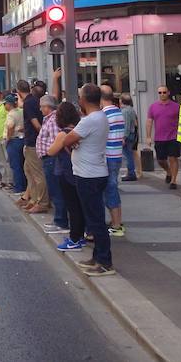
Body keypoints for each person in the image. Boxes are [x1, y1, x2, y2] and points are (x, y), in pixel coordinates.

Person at [61, 83, 115, 276]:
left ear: (83, 99)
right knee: (94, 219)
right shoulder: (100, 117)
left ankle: (105, 262)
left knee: (95, 221)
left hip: (88, 175)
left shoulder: (89, 121)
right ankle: (98, 256)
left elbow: (66, 140)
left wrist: (73, 141)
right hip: (95, 172)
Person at [47, 101, 86, 252]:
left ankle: (74, 238)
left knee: (72, 207)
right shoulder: (78, 130)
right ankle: (80, 235)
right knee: (79, 205)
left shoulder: (63, 133)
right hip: (78, 170)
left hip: (65, 172)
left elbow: (51, 151)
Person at [37, 93, 68, 233]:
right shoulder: (48, 119)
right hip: (48, 158)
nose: (40, 109)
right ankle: (59, 219)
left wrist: (50, 153)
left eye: (42, 106)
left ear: (48, 107)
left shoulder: (53, 120)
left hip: (52, 159)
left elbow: (57, 140)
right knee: (54, 190)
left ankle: (61, 221)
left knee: (56, 190)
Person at [101, 85, 125, 237]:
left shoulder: (104, 115)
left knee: (110, 189)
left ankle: (116, 225)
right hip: (116, 154)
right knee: (112, 187)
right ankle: (117, 221)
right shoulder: (118, 111)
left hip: (108, 156)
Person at [21, 80, 48, 214]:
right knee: (29, 170)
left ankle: (41, 202)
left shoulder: (29, 102)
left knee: (36, 173)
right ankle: (33, 199)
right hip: (32, 141)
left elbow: (35, 124)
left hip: (33, 142)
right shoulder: (39, 101)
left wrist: (42, 137)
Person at [146, 86, 181, 188]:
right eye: (160, 93)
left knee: (173, 158)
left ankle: (173, 181)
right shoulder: (153, 107)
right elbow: (149, 121)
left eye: (164, 92)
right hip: (159, 138)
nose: (162, 94)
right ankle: (168, 171)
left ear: (168, 93)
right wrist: (148, 136)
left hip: (173, 136)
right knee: (160, 160)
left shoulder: (176, 106)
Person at [4, 93, 27, 197]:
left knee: (15, 165)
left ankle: (18, 188)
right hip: (22, 139)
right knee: (22, 164)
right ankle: (24, 186)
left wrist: (8, 138)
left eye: (5, 104)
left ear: (9, 104)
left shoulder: (11, 114)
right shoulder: (21, 111)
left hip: (13, 140)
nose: (5, 106)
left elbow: (10, 126)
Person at [0, 89, 11, 190]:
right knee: (0, 160)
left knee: (7, 160)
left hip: (4, 137)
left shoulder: (5, 106)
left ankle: (10, 181)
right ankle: (4, 180)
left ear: (1, 95)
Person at [120, 93, 139, 181]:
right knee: (129, 154)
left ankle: (131, 173)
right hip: (132, 134)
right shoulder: (131, 110)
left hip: (128, 135)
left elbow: (126, 126)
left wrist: (123, 137)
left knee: (128, 155)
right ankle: (131, 172)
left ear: (122, 101)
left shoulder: (125, 111)